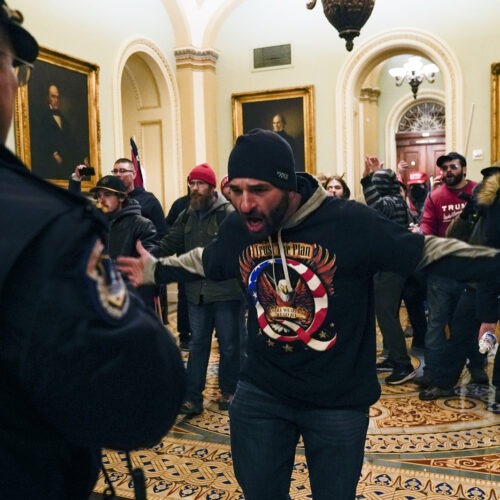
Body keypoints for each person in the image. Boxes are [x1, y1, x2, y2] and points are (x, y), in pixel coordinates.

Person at [117, 129, 500, 499]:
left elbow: (427, 252)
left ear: (289, 187)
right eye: (237, 190)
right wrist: (155, 270)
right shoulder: (240, 226)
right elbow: (208, 260)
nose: (246, 203)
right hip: (261, 392)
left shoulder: (350, 222)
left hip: (337, 400)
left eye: (259, 190)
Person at [0, 4, 186, 497]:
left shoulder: (128, 215)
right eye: (10, 65)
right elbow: (140, 399)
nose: (17, 83)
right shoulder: (48, 227)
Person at [154, 163, 244, 415]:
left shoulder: (228, 213)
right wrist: (148, 259)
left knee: (229, 345)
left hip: (226, 293)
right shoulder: (187, 214)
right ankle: (193, 397)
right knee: (197, 345)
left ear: (212, 187)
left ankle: (230, 391)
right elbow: (171, 241)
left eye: (200, 184)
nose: (194, 188)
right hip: (196, 294)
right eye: (192, 183)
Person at [415, 152, 487, 390]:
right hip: (442, 272)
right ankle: (432, 371)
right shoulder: (435, 197)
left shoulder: (480, 192)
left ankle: (477, 366)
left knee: (472, 325)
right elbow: (427, 227)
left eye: (453, 167)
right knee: (436, 323)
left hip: (473, 271)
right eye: (444, 168)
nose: (448, 171)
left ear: (464, 169)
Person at [361, 156, 416, 384]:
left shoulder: (390, 202)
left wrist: (366, 178)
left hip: (390, 267)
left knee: (386, 314)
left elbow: (377, 206)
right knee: (387, 313)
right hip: (394, 264)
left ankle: (403, 365)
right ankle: (393, 356)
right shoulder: (398, 198)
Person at [111, 157, 168, 237]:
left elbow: (162, 233)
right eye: (115, 171)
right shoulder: (110, 200)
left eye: (122, 171)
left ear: (134, 174)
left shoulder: (149, 200)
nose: (118, 175)